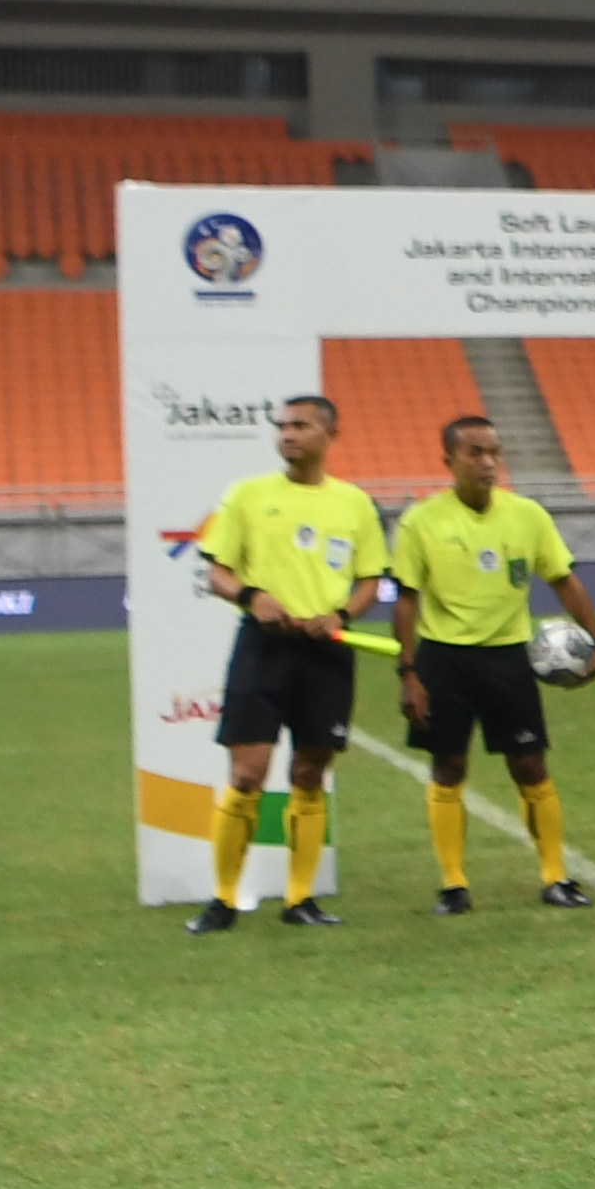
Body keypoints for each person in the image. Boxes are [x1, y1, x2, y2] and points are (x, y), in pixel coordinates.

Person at [391, 416, 595, 914]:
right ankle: (453, 884)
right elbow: (405, 599)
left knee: (530, 765)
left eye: (494, 451)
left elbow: (563, 578)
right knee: (448, 767)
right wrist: (409, 673)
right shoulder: (421, 521)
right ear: (448, 460)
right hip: (443, 659)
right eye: (475, 452)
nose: (488, 462)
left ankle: (555, 876)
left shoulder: (527, 516)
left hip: (509, 658)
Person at [187, 392, 384, 934]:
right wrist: (251, 596)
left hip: (327, 650)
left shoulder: (354, 504)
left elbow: (371, 580)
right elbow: (216, 571)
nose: (287, 434)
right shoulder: (248, 496)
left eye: (299, 425)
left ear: (328, 433)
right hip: (264, 647)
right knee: (247, 774)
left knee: (309, 774)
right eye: (282, 426)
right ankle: (223, 899)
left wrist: (341, 613)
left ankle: (300, 899)